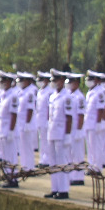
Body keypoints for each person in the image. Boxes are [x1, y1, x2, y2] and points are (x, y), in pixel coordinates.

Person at [45, 71, 73, 199]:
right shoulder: (52, 96)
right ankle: (55, 188)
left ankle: (63, 189)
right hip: (52, 132)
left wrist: (67, 134)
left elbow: (69, 117)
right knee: (53, 162)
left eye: (56, 80)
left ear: (62, 81)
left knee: (62, 162)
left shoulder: (67, 97)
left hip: (62, 134)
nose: (54, 83)